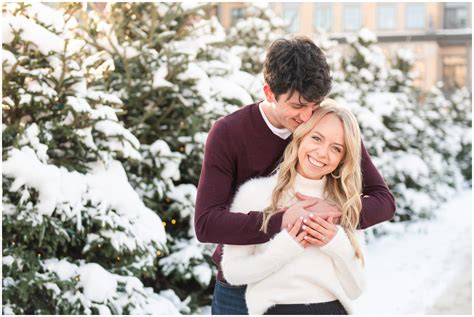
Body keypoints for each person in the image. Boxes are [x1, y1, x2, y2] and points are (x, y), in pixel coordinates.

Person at [195, 35, 396, 315]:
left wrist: (336, 210)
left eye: (315, 103)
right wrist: (281, 221)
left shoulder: (326, 126)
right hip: (241, 286)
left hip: (306, 289)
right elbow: (206, 224)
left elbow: (383, 201)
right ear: (269, 93)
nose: (307, 116)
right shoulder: (229, 133)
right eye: (298, 106)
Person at [222, 99, 365, 315]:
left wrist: (336, 242)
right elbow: (233, 273)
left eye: (336, 148)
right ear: (301, 135)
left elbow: (356, 289)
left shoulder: (343, 204)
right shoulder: (255, 194)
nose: (322, 153)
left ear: (343, 158)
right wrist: (284, 248)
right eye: (317, 138)